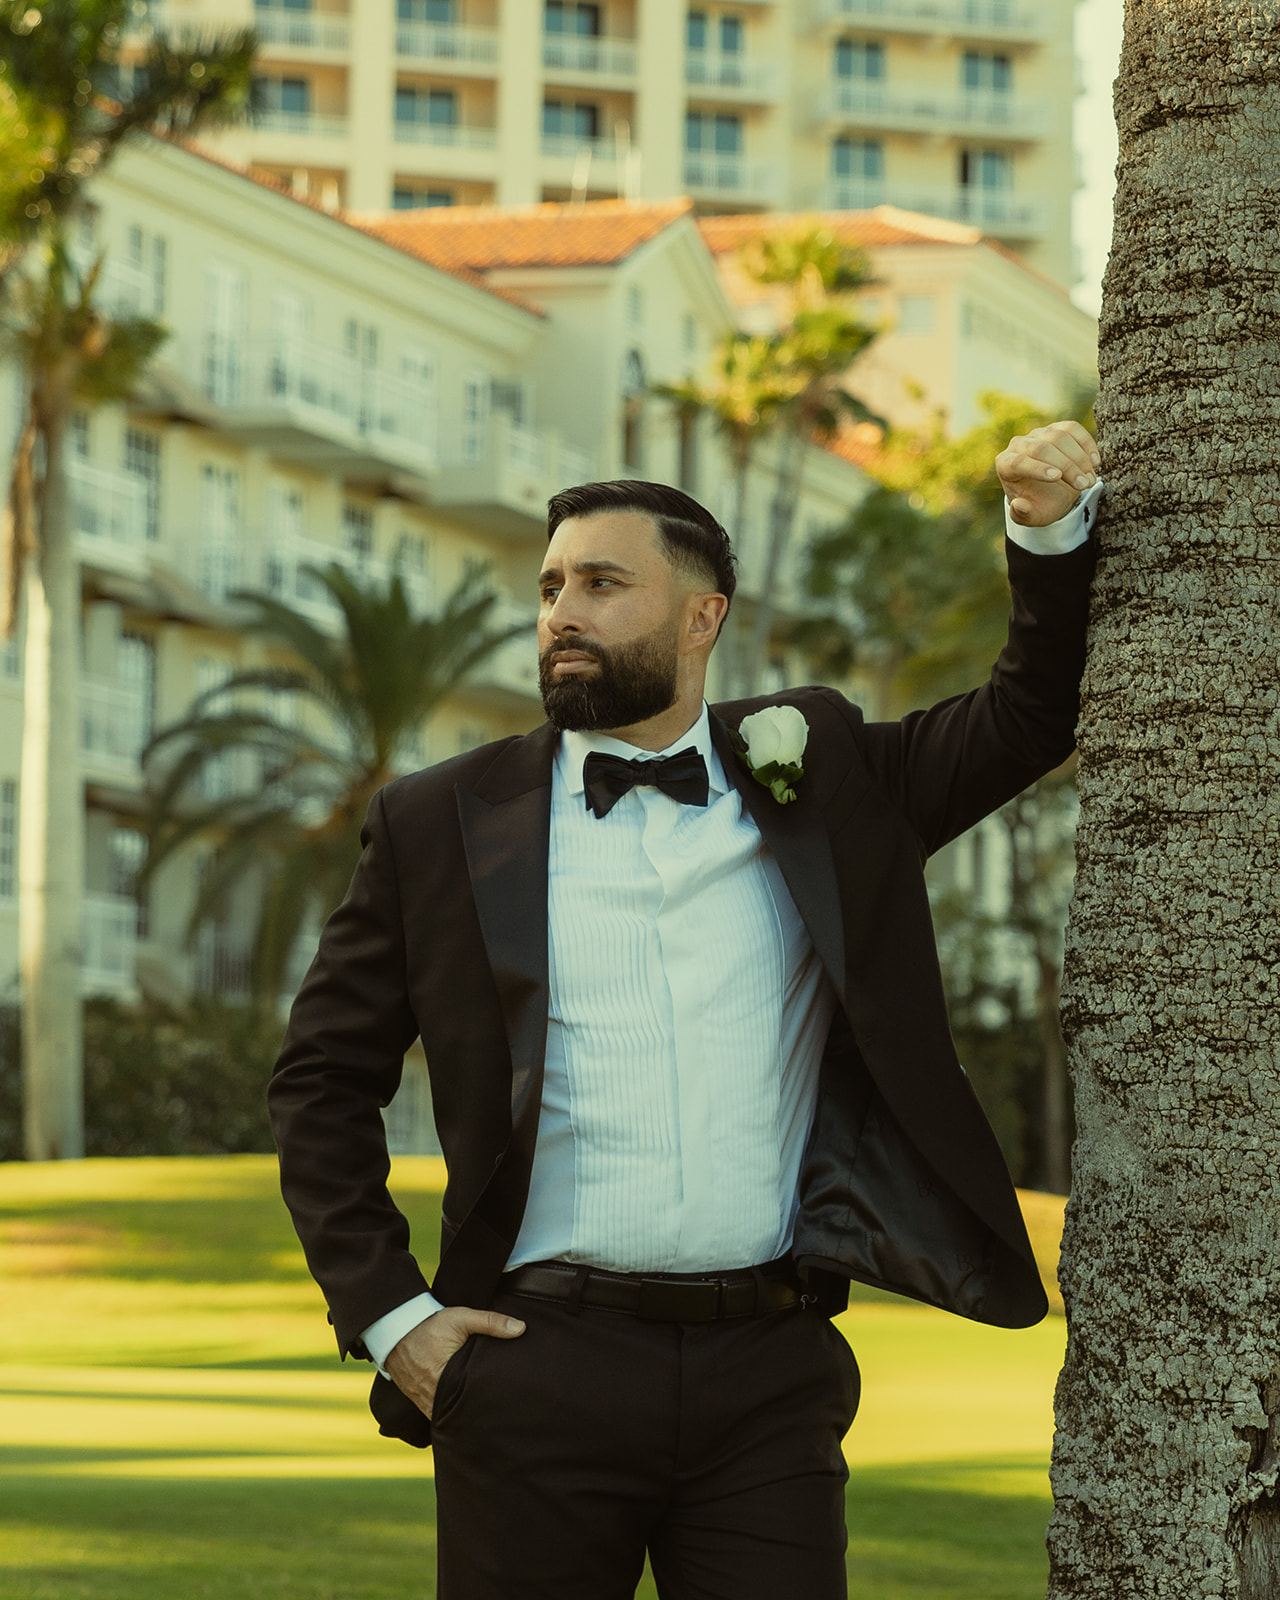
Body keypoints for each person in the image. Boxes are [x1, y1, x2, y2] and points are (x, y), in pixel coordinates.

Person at [268, 421, 1103, 1599]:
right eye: (550, 585)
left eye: (603, 584)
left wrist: (1043, 529)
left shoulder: (824, 780)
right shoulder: (437, 824)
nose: (562, 610)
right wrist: (392, 1315)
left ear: (701, 618)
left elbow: (1025, 715)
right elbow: (319, 1078)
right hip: (530, 1367)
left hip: (767, 1377)